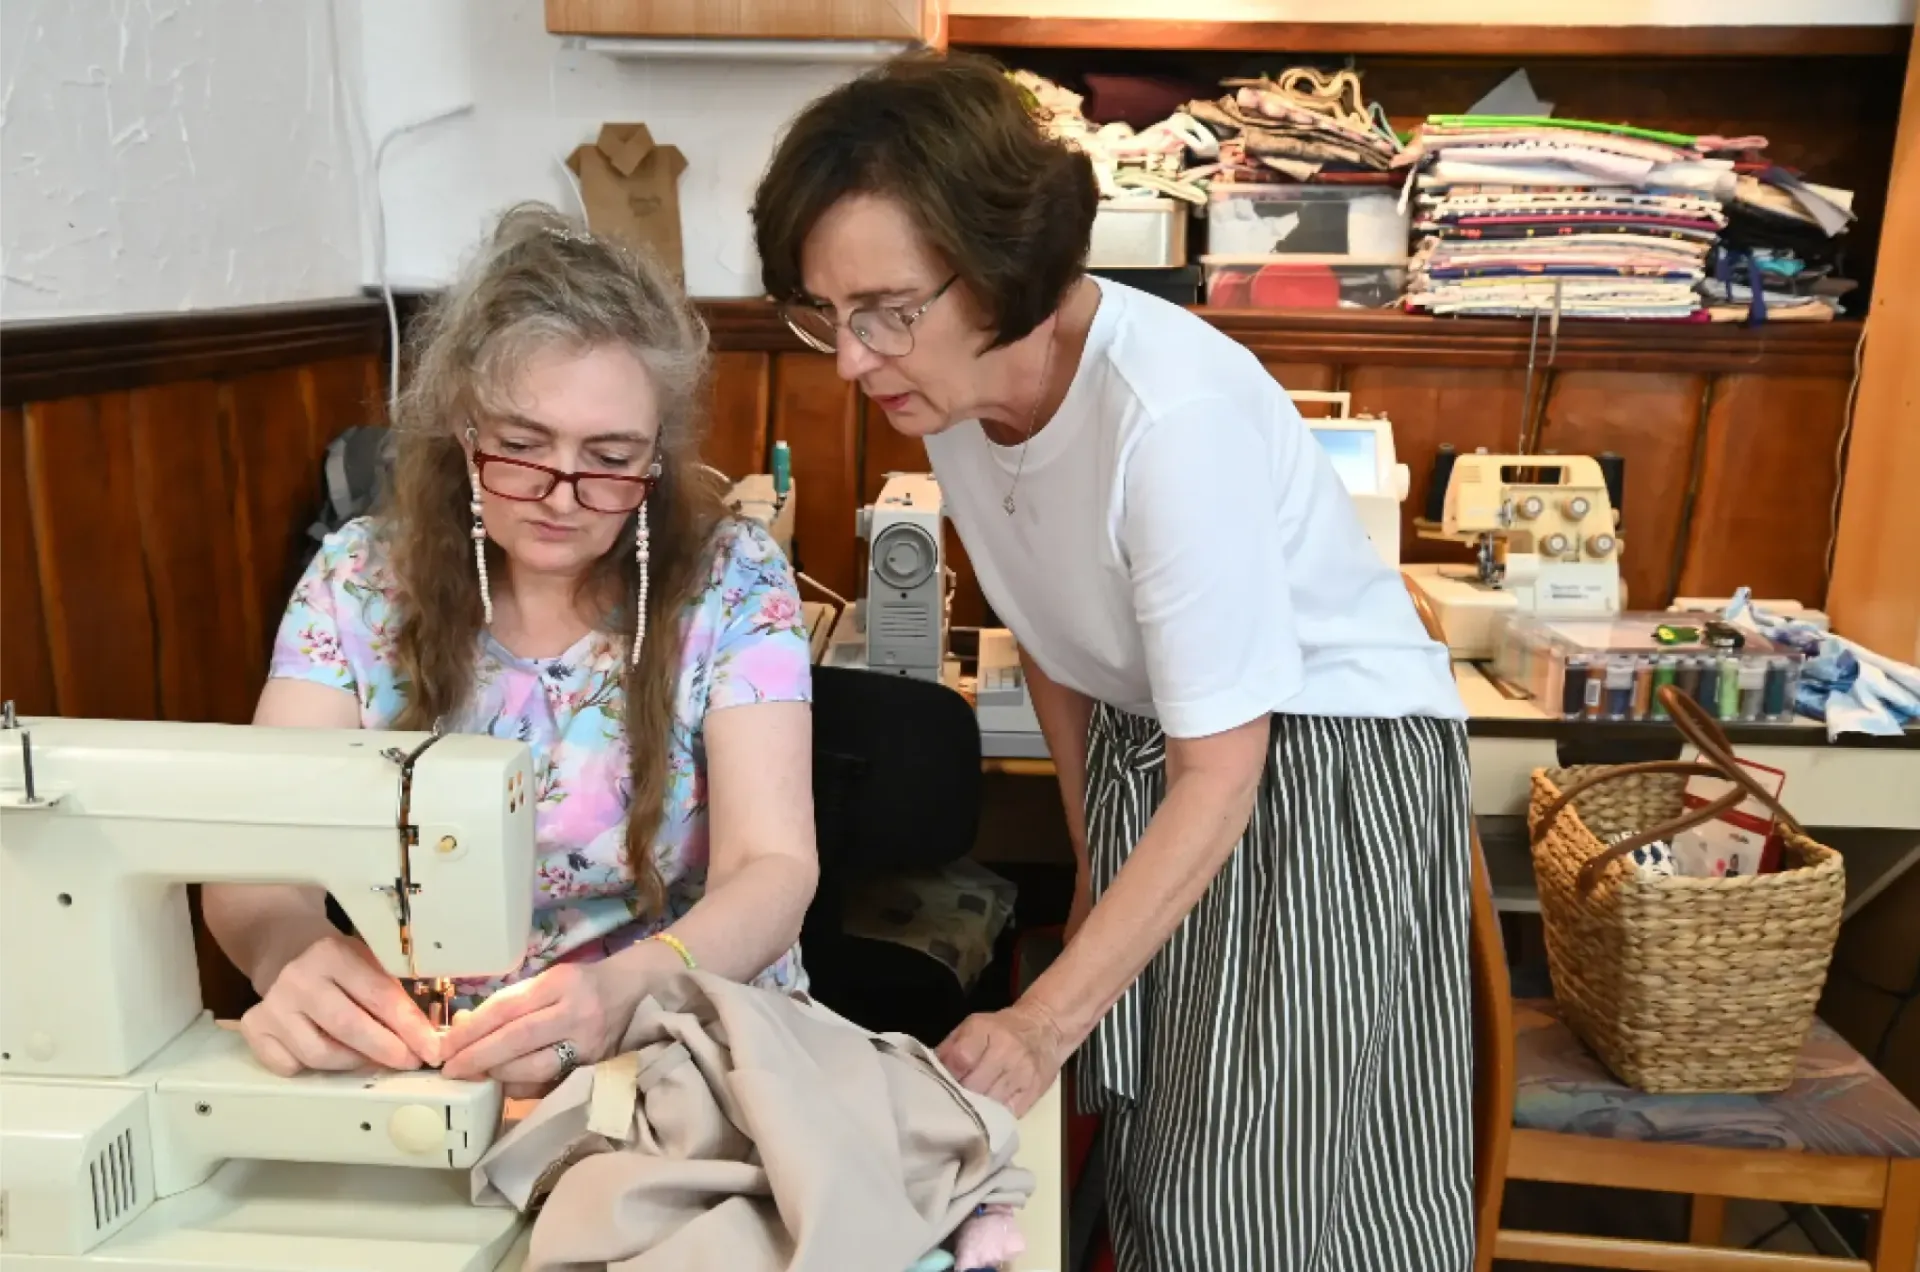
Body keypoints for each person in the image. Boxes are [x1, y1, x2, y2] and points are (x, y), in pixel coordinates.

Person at [753, 54, 1473, 1272]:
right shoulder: (959, 397)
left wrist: (1042, 1020)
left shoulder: (1168, 418)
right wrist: (1094, 860)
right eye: (824, 314)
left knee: (1249, 1189)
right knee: (1145, 1151)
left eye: (885, 311)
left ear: (1003, 269)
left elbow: (1225, 773)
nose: (850, 361)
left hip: (1319, 773)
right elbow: (1056, 642)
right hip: (1173, 762)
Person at [204, 204, 819, 1095]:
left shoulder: (733, 580)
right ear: (466, 434)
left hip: (682, 1043)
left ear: (656, 458)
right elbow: (252, 860)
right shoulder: (359, 584)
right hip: (431, 1065)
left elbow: (773, 868)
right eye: (523, 447)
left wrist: (630, 988)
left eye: (610, 457)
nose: (562, 495)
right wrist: (286, 951)